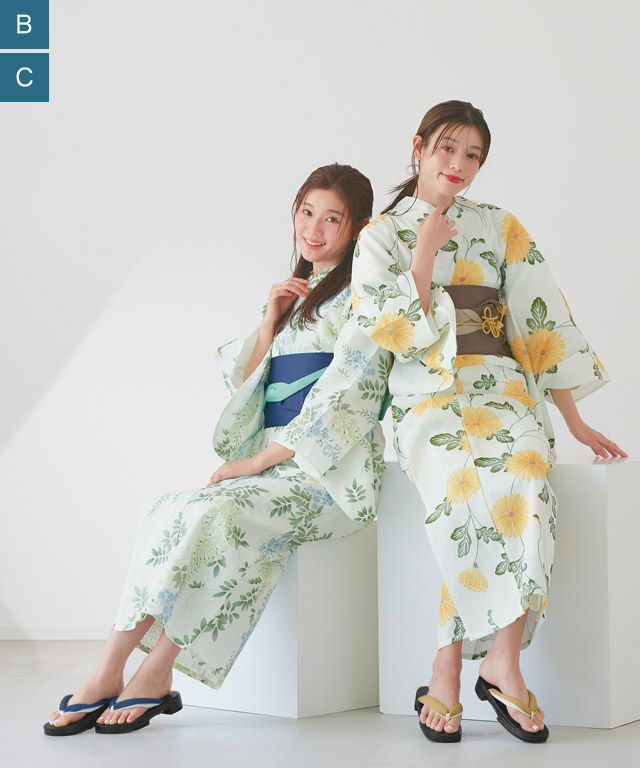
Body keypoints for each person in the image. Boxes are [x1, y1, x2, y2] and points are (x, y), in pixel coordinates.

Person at [44, 163, 390, 736]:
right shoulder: (295, 297)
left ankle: (158, 669)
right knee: (166, 509)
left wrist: (254, 462)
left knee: (218, 513)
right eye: (307, 213)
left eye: (333, 220)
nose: (314, 230)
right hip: (275, 472)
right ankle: (108, 668)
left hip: (327, 477)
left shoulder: (365, 296)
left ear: (357, 228)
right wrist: (269, 324)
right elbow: (245, 384)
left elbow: (348, 398)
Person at [350, 101, 627, 743]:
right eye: (448, 148)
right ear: (418, 146)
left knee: (527, 482)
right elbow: (392, 329)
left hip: (501, 388)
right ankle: (446, 666)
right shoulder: (380, 235)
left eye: (473, 155)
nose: (459, 164)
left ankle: (501, 661)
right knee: (464, 495)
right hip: (429, 394)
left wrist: (575, 421)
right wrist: (424, 250)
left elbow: (540, 321)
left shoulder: (500, 226)